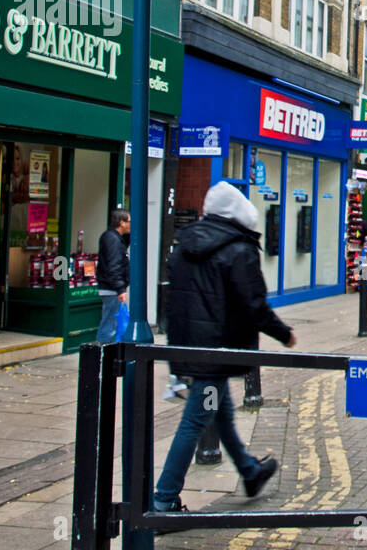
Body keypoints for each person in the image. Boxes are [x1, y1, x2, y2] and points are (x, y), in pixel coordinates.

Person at [153, 182, 293, 513]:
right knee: (195, 420)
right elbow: (253, 303)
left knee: (222, 415)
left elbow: (175, 301)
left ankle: (250, 472)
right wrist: (283, 333)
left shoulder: (184, 245)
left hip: (189, 346)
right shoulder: (239, 250)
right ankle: (163, 499)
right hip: (218, 350)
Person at [96, 209, 130, 344]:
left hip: (113, 288)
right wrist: (120, 289)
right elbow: (113, 266)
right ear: (121, 223)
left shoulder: (115, 238)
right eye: (129, 222)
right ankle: (101, 356)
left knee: (113, 324)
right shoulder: (112, 239)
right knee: (109, 325)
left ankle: (106, 356)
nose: (131, 224)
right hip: (112, 289)